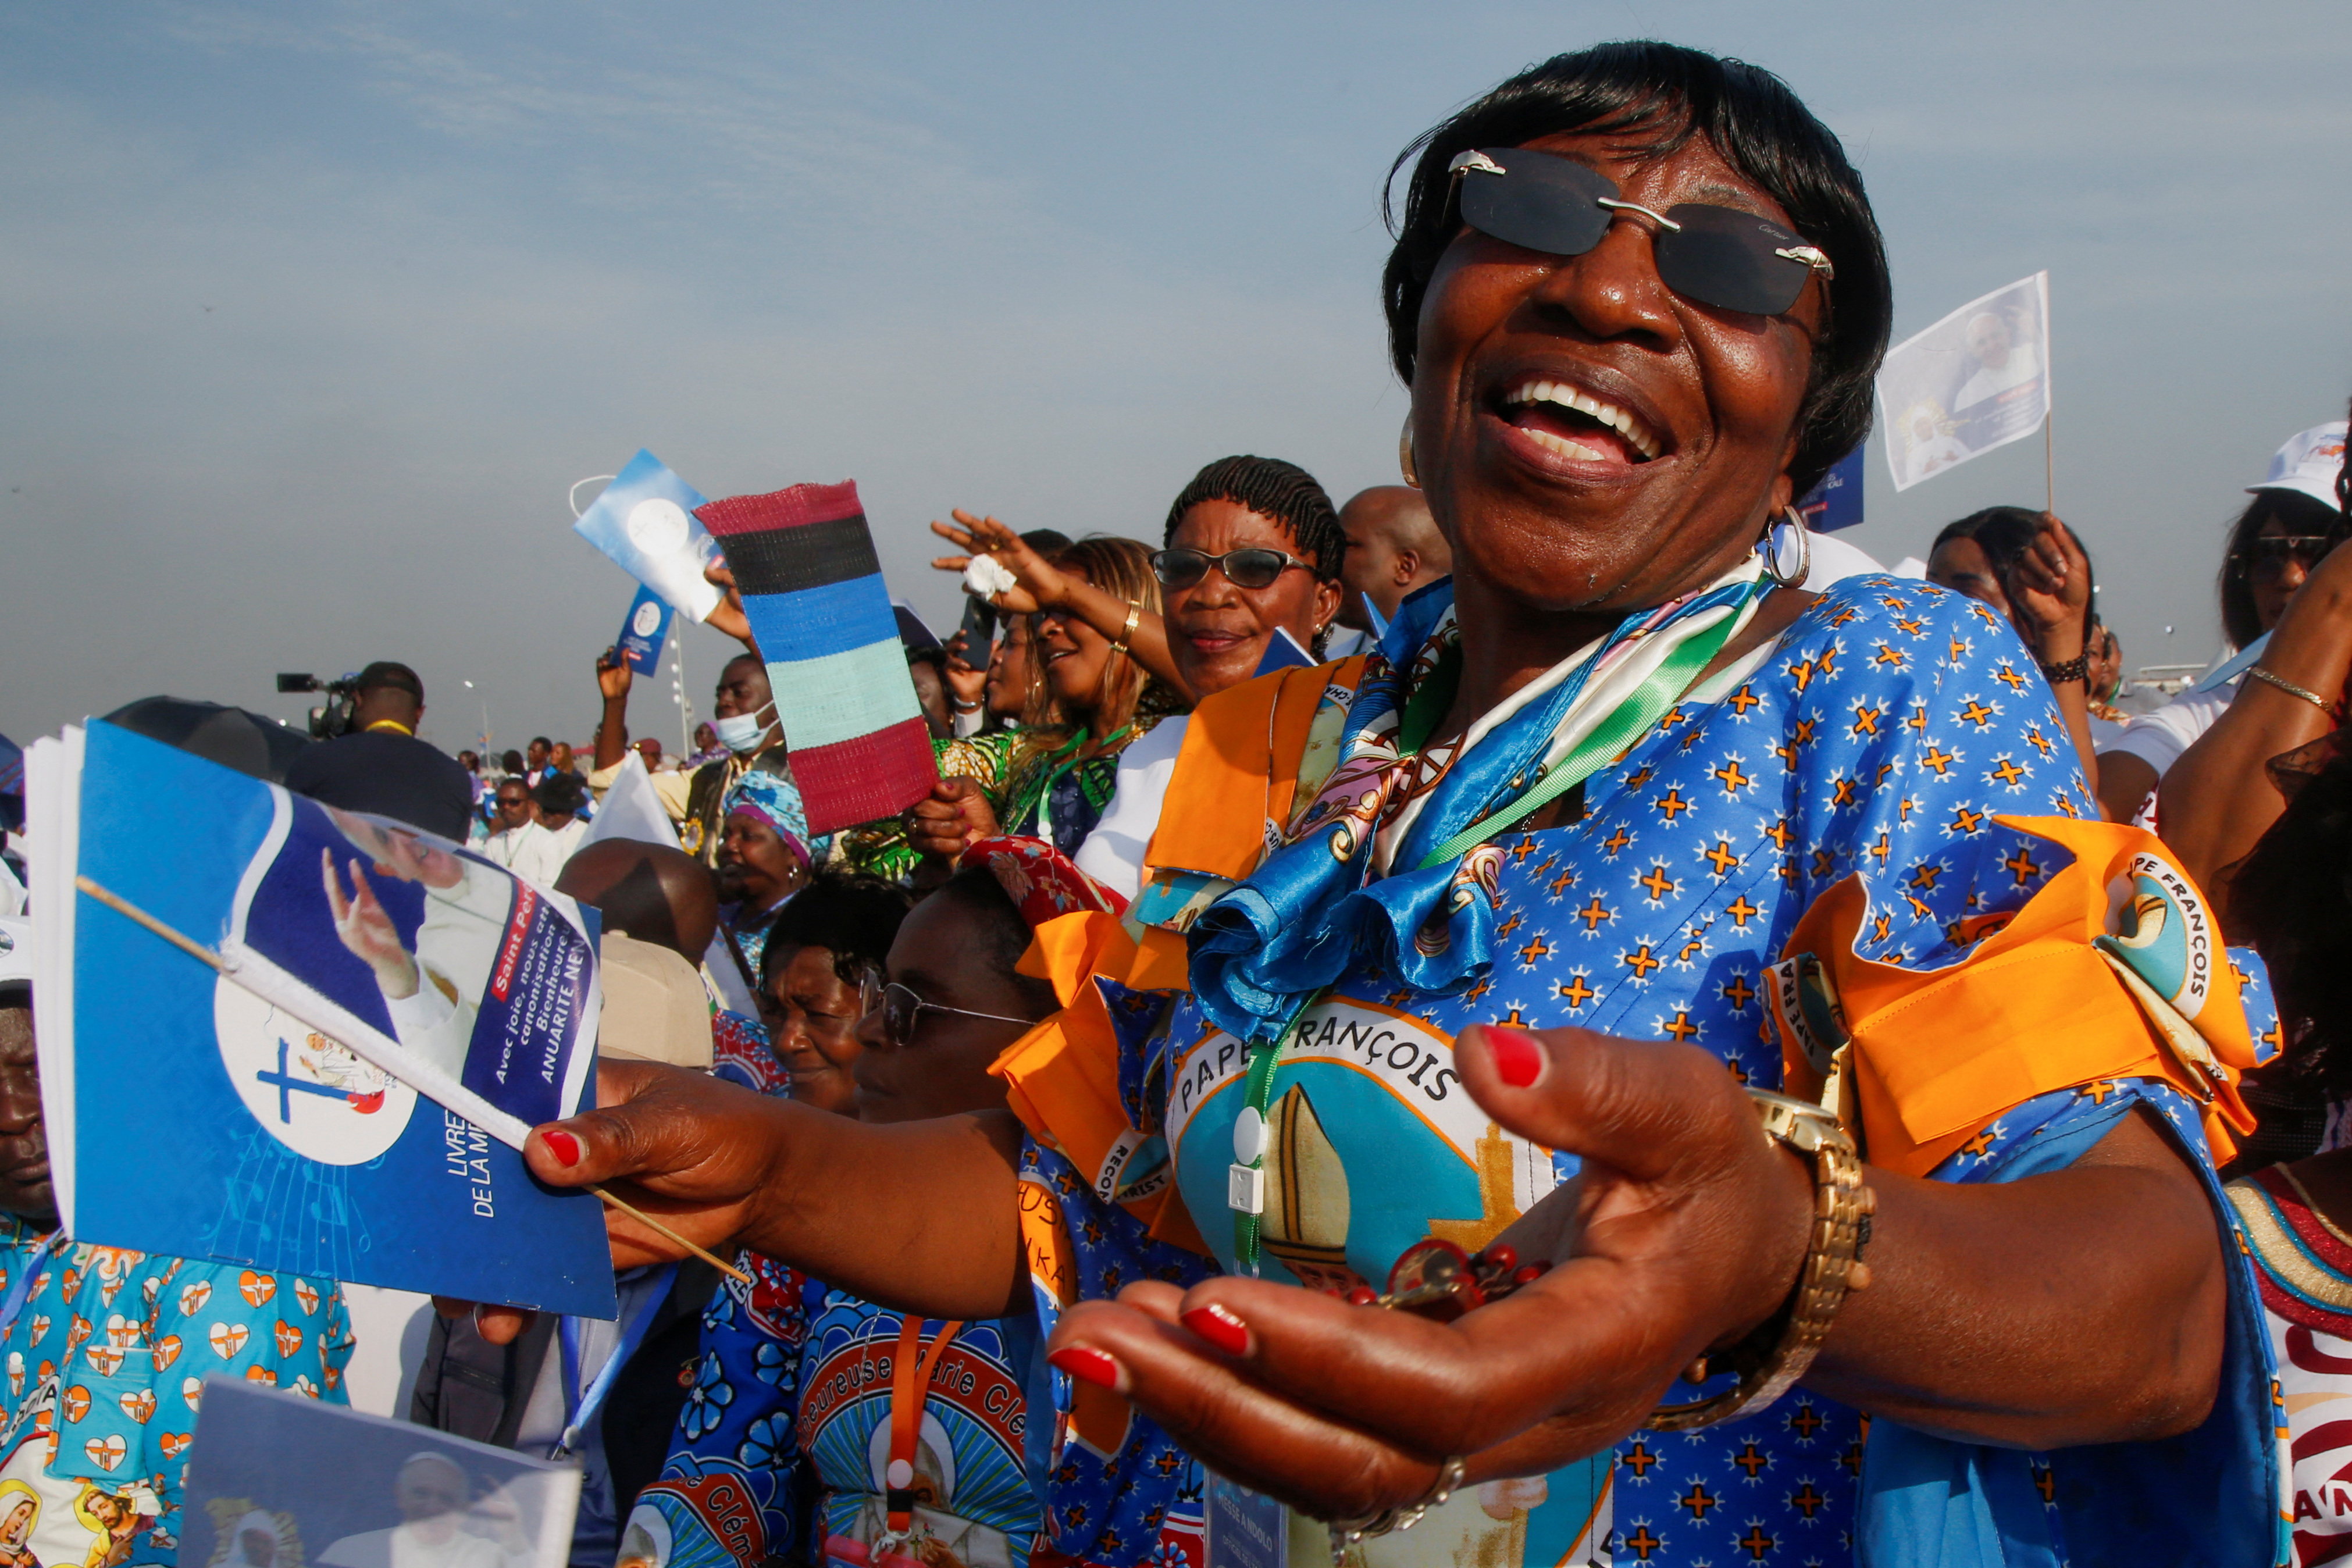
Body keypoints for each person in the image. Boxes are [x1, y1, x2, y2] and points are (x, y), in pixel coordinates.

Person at [506, 42, 2284, 1568]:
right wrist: (767, 1161)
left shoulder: (1882, 682)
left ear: (1803, 402)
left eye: (1730, 263)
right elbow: (1094, 1204)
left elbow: (2147, 1302)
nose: (1607, 289)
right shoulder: (1265, 745)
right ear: (1420, 306)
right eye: (1525, 213)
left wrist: (1772, 1242)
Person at [625, 843, 1156, 1568]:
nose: (872, 1031)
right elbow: (721, 1474)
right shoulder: (799, 1238)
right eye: (878, 998)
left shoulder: (1129, 1266)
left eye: (911, 1006)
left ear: (1054, 1038)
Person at [0, 917, 355, 1567]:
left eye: (34, 1067)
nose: (11, 1111)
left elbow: (243, 1536)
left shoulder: (228, 1260)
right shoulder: (17, 1234)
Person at [411, 849, 721, 1568]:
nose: (575, 1142)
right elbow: (420, 1445)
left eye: (618, 1115)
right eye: (564, 1107)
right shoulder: (488, 1257)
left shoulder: (743, 1298)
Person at [2099, 419, 2351, 824]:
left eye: (2320, 551)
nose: (2291, 578)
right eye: (2268, 554)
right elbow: (2090, 818)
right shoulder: (2209, 715)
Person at [1923, 506, 2103, 790]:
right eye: (1928, 591)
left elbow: (2073, 812)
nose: (1934, 610)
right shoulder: (1902, 718)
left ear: (2032, 618)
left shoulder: (2114, 745)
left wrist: (2060, 630)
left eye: (1966, 596)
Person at [281, 662, 475, 840]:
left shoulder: (315, 759)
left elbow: (292, 836)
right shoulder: (456, 776)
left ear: (357, 701)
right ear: (419, 713)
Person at [714, 771, 816, 983]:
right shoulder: (713, 913)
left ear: (793, 855)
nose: (728, 846)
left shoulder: (811, 931)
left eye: (748, 837)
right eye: (726, 836)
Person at [1331, 484, 1453, 656]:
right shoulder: (1329, 668)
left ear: (1404, 567)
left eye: (1346, 545)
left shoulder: (1462, 665)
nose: (1329, 558)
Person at [499, 773, 589, 889]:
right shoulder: (539, 834)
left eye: (554, 810)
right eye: (545, 809)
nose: (547, 814)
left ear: (568, 811)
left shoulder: (585, 833)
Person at [476, 778, 535, 869]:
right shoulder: (493, 843)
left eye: (514, 802)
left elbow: (549, 883)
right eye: (501, 803)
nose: (506, 807)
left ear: (529, 804)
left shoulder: (547, 842)